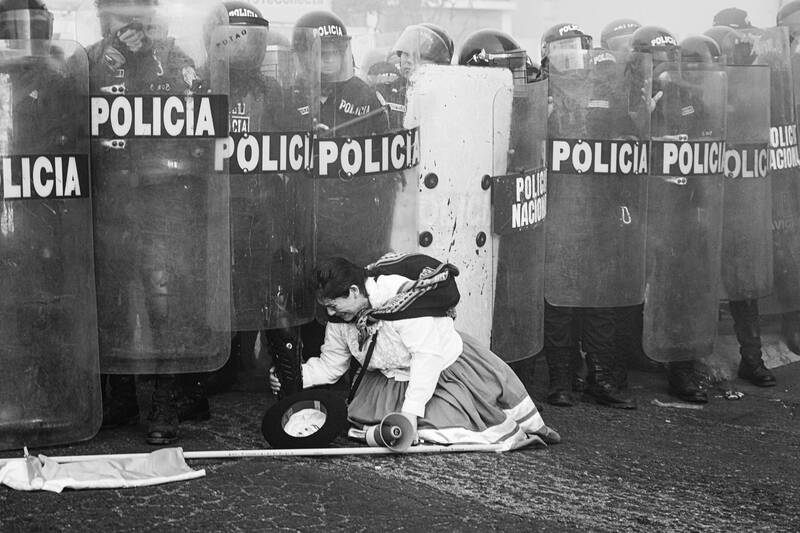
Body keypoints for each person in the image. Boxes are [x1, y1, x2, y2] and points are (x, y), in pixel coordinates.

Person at [84, 0, 218, 444]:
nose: (124, 24)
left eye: (133, 14)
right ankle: (120, 395)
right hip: (109, 200)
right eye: (113, 15)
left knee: (164, 301)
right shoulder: (89, 60)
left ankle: (165, 399)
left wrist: (144, 60)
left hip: (162, 201)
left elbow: (195, 116)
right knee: (113, 299)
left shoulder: (173, 58)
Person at [269, 254, 561, 447]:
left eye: (334, 306)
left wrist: (409, 413)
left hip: (441, 373)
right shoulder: (341, 319)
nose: (331, 314)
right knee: (382, 430)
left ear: (354, 292)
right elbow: (332, 365)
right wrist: (293, 375)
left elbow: (426, 360)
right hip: (390, 380)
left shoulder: (402, 301)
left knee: (442, 430)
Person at [540, 23, 637, 410]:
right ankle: (561, 379)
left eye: (575, 47)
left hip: (599, 208)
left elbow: (629, 138)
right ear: (547, 53)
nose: (569, 55)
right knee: (560, 300)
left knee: (600, 299)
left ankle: (601, 377)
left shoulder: (604, 86)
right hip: (557, 208)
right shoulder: (539, 89)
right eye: (561, 48)